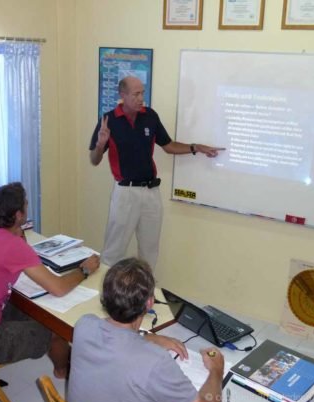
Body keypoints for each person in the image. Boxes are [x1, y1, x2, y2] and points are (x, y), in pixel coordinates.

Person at [0, 182, 100, 378]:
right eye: (24, 204)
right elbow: (57, 288)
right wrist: (84, 270)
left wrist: (18, 237)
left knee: (33, 308)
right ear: (18, 215)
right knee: (53, 327)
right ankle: (63, 371)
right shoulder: (11, 245)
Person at [90, 76, 224, 270]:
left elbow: (169, 146)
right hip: (125, 194)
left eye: (142, 93)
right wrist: (101, 144)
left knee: (149, 253)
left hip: (151, 193)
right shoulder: (108, 120)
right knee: (113, 253)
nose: (141, 98)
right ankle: (107, 297)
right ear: (123, 95)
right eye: (136, 94)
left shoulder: (150, 116)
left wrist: (197, 147)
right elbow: (94, 160)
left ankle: (146, 297)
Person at [68, 258, 224, 402]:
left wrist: (148, 337)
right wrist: (216, 371)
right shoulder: (156, 361)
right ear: (149, 303)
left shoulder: (84, 324)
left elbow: (119, 340)